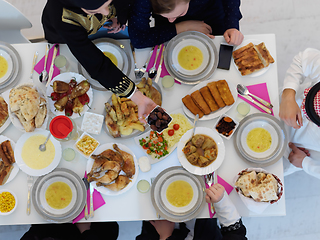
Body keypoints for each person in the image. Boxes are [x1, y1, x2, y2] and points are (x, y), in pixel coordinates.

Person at [42, 0, 156, 122]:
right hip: (63, 36)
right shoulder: (62, 18)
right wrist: (136, 96)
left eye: (109, 3)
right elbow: (96, 64)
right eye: (94, 10)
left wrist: (120, 18)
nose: (106, 12)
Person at [136, 184, 247, 240]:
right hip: (203, 228)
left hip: (157, 231)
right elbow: (235, 234)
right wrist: (221, 201)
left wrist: (164, 236)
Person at [128, 0, 244, 49]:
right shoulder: (142, 2)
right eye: (167, 16)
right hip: (167, 29)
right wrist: (181, 27)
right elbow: (139, 39)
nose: (171, 20)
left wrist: (232, 25)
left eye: (180, 13)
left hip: (211, 12)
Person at [279, 48, 320, 178]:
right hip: (277, 103)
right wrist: (288, 95)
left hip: (290, 152)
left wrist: (306, 163)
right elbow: (302, 60)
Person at [20, 221, 119, 240]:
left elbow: (31, 235)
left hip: (47, 231)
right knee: (109, 229)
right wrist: (85, 230)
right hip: (83, 234)